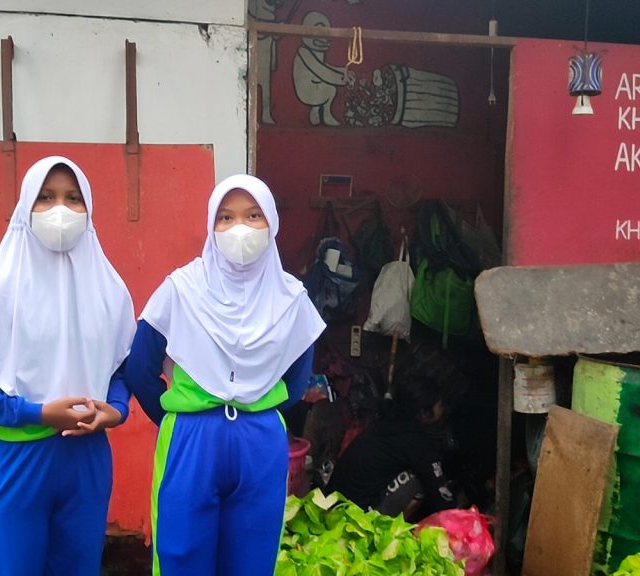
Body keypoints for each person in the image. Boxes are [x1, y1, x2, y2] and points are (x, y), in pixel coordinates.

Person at [0, 156, 136, 575]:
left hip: (86, 459)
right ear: (25, 207)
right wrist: (36, 413)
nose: (60, 210)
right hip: (17, 457)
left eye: (73, 198)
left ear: (90, 208)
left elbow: (121, 367)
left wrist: (117, 410)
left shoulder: (110, 289)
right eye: (45, 197)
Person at [126, 174, 326, 575]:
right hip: (190, 439)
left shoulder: (292, 299)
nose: (239, 229)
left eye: (253, 216)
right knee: (180, 556)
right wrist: (175, 419)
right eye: (226, 217)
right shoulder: (181, 290)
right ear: (211, 226)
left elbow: (296, 380)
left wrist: (255, 409)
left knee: (253, 560)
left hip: (259, 443)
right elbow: (139, 367)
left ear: (271, 223)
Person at [326, 364, 457, 522]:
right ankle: (382, 528)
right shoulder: (416, 442)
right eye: (440, 405)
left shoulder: (384, 424)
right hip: (356, 518)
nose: (443, 410)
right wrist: (459, 516)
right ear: (424, 412)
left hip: (332, 507)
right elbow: (441, 495)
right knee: (418, 480)